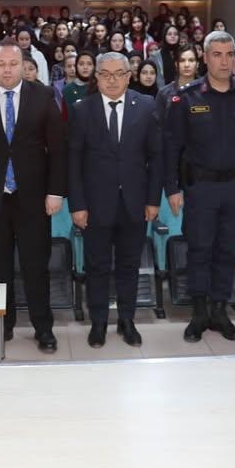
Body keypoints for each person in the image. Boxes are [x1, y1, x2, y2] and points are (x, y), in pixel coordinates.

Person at [0, 37, 66, 353]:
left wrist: (55, 191)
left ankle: (43, 328)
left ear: (24, 65)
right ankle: (0, 326)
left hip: (32, 198)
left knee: (36, 266)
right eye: (1, 64)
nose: (7, 70)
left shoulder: (44, 95)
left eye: (13, 64)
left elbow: (58, 149)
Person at [163, 31, 235, 343]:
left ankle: (220, 310)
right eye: (217, 54)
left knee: (226, 250)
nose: (224, 61)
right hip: (200, 188)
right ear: (205, 57)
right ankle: (199, 312)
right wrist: (172, 188)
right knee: (199, 250)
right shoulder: (187, 98)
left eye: (229, 54)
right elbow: (171, 148)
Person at [68, 51, 162, 348]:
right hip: (95, 206)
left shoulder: (146, 106)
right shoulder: (82, 109)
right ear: (95, 77)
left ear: (128, 75)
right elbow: (74, 162)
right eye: (105, 74)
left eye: (118, 73)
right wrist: (78, 205)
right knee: (96, 266)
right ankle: (98, 322)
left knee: (129, 265)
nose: (112, 80)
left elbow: (156, 157)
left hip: (134, 203)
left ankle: (126, 320)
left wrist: (152, 199)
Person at [155, 44, 199, 126]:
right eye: (182, 60)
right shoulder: (164, 94)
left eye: (191, 60)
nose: (186, 65)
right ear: (176, 64)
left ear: (197, 64)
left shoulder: (206, 92)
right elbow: (158, 127)